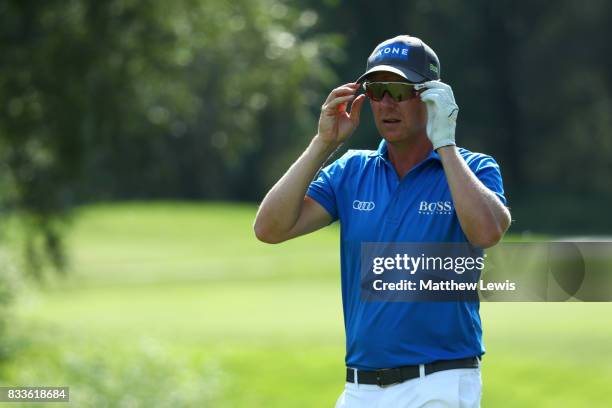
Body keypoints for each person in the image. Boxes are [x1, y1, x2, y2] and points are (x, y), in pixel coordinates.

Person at [253, 35, 511, 408]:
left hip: (438, 381)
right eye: (376, 90)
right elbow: (269, 229)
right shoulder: (350, 171)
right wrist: (323, 143)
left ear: (431, 95)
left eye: (398, 90)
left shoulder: (473, 168)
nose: (386, 103)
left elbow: (487, 231)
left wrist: (446, 144)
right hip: (360, 388)